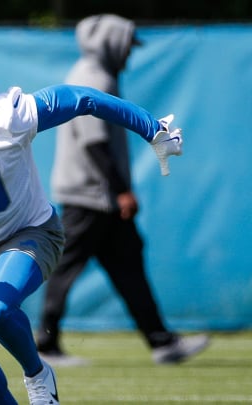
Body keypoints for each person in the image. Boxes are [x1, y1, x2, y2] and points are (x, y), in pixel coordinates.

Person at [0, 29, 183, 405]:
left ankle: (37, 372)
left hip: (30, 231)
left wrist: (152, 128)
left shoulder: (7, 115)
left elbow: (82, 98)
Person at [35, 14, 210, 366]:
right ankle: (45, 345)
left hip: (97, 194)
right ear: (112, 43)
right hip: (90, 194)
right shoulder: (93, 77)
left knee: (127, 263)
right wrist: (120, 192)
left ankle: (162, 342)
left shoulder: (97, 73)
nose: (130, 53)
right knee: (66, 266)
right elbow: (93, 141)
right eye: (128, 45)